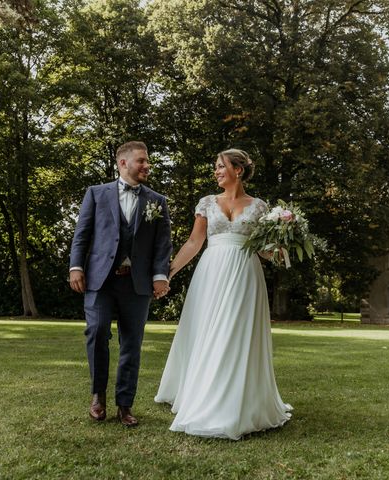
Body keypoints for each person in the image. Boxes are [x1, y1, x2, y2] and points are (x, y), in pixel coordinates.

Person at [155, 148, 291, 440]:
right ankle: (203, 393)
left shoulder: (260, 206)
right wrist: (169, 272)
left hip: (245, 273)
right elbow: (194, 242)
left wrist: (283, 247)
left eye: (220, 166)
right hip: (211, 273)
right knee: (208, 331)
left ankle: (235, 401)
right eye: (215, 167)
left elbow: (265, 250)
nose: (216, 171)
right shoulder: (206, 203)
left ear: (237, 170)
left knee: (235, 333)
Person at [70, 141, 172, 427]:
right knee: (96, 331)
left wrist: (160, 275)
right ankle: (97, 396)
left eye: (148, 160)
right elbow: (82, 234)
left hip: (137, 284)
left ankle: (125, 405)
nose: (147, 165)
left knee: (132, 344)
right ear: (123, 163)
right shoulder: (96, 194)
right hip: (100, 280)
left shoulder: (157, 201)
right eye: (141, 160)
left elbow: (163, 244)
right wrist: (76, 267)